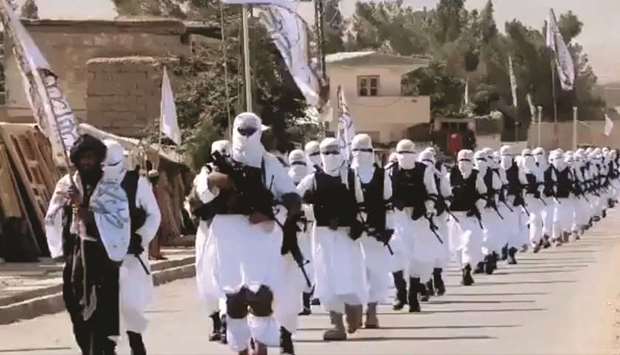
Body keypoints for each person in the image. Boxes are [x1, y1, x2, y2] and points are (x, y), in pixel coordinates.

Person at [195, 113, 301, 355]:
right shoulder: (219, 163)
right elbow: (199, 194)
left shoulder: (269, 163)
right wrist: (212, 181)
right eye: (241, 130)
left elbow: (292, 198)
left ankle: (261, 345)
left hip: (261, 233)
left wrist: (272, 213)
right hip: (227, 232)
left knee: (261, 295)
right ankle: (241, 347)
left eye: (250, 130)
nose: (245, 135)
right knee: (234, 298)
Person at [45, 134, 130, 355]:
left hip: (102, 257)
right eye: (83, 158)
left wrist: (87, 212)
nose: (87, 162)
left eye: (91, 157)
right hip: (76, 256)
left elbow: (119, 220)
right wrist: (68, 205)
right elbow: (52, 217)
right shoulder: (66, 184)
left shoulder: (110, 187)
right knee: (77, 308)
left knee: (100, 312)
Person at [297, 138, 367, 341]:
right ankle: (337, 325)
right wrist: (311, 210)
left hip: (347, 236)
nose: (331, 156)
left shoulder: (351, 177)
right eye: (326, 152)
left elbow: (362, 205)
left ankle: (354, 310)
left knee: (350, 275)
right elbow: (294, 198)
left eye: (334, 151)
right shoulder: (313, 179)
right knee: (327, 279)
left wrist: (357, 224)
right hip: (323, 236)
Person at [102, 139, 161, 355]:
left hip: (131, 256)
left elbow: (154, 215)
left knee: (131, 305)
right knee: (107, 307)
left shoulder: (137, 183)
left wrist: (141, 236)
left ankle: (136, 343)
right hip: (103, 256)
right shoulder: (94, 182)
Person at [388, 139, 440, 312]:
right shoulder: (390, 171)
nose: (405, 156)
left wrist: (426, 207)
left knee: (417, 256)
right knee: (396, 254)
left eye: (408, 152)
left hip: (419, 218)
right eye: (402, 153)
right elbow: (384, 195)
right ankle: (400, 291)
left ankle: (413, 295)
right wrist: (393, 205)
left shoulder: (424, 171)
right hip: (397, 217)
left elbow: (432, 193)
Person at [188, 140, 231, 344]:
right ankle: (217, 322)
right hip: (207, 230)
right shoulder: (205, 175)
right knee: (206, 275)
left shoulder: (239, 171)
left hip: (231, 229)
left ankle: (226, 323)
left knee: (226, 276)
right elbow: (199, 199)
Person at [350, 134, 393, 328]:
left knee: (376, 272)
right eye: (356, 150)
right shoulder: (346, 174)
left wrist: (388, 229)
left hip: (377, 230)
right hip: (352, 232)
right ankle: (355, 309)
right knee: (354, 272)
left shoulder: (382, 175)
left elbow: (388, 203)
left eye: (364, 150)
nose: (360, 154)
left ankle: (372, 311)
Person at [447, 149, 486, 286]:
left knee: (469, 242)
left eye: (467, 160)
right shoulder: (450, 175)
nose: (463, 163)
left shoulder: (476, 176)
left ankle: (467, 268)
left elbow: (483, 194)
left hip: (469, 216)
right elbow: (445, 194)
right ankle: (463, 267)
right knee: (457, 245)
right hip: (454, 218)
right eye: (461, 160)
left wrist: (478, 206)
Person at [287, 149, 315, 316]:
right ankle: (305, 302)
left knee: (293, 265)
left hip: (294, 228)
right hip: (305, 227)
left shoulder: (285, 178)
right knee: (307, 263)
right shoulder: (311, 177)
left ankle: (301, 303)